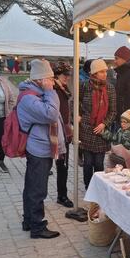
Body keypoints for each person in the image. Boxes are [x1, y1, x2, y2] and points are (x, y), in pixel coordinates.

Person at [17, 59, 65, 239]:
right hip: (38, 149)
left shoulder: (37, 94)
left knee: (31, 185)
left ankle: (29, 221)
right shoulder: (29, 98)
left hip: (41, 147)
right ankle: (37, 227)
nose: (53, 82)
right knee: (37, 188)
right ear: (41, 79)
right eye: (50, 79)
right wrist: (50, 91)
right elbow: (51, 114)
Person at [79, 59, 116, 189]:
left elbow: (113, 111)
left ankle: (98, 187)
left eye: (105, 71)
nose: (105, 74)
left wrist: (104, 124)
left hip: (101, 131)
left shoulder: (110, 88)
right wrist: (77, 116)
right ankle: (88, 187)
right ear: (94, 73)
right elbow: (75, 102)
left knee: (99, 163)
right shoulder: (84, 86)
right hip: (87, 129)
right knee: (88, 163)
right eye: (101, 71)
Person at [53, 62, 73, 208]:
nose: (67, 77)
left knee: (63, 164)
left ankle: (62, 194)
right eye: (64, 75)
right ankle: (62, 195)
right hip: (56, 131)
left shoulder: (63, 88)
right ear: (57, 75)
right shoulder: (53, 88)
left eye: (68, 75)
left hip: (64, 130)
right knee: (61, 163)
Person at [0, 62, 15, 172]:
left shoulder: (3, 83)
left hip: (2, 118)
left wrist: (9, 112)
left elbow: (11, 98)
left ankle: (1, 161)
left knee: (2, 141)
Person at [114, 46, 130, 124]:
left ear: (124, 59)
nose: (115, 61)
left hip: (126, 120)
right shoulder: (121, 74)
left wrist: (129, 120)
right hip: (121, 117)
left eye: (116, 58)